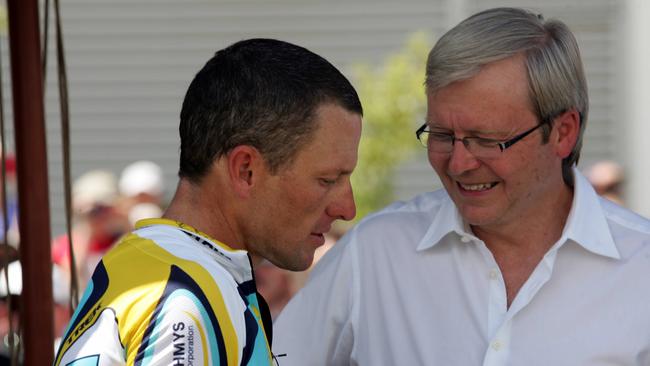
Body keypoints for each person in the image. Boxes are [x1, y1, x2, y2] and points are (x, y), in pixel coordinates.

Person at [274, 7, 650, 365]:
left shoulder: (640, 270)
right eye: (441, 134)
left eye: (487, 139)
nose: (459, 163)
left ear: (562, 133)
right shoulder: (374, 254)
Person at [54, 38, 363, 365]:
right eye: (327, 180)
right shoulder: (184, 301)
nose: (347, 208)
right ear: (246, 169)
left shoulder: (149, 267)